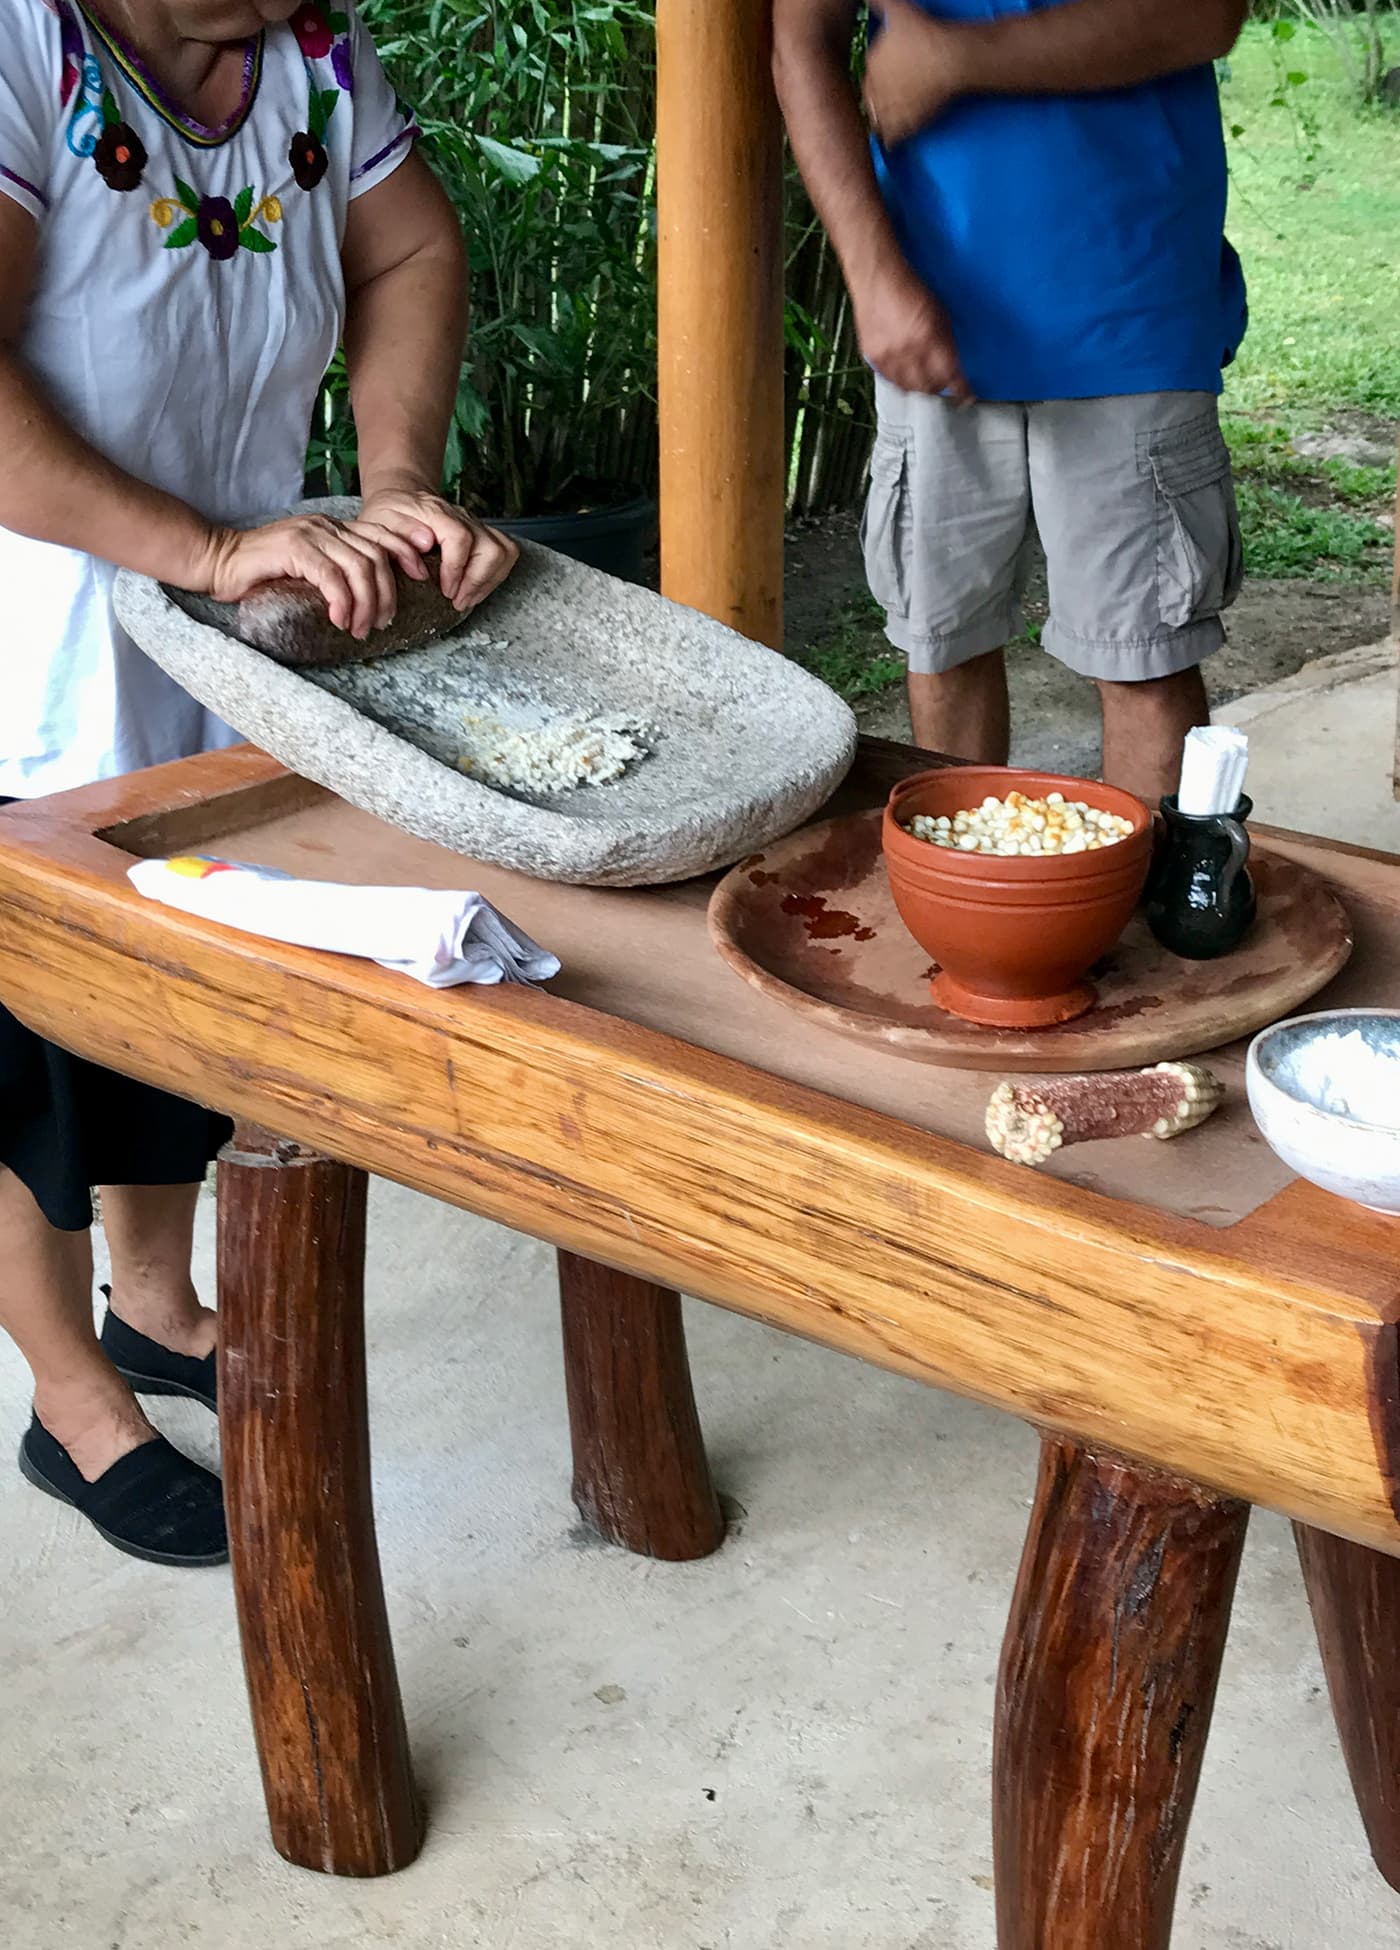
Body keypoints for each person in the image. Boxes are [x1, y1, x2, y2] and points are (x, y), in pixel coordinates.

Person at [0, 0, 518, 1566]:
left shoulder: (310, 46)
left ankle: (154, 1305)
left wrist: (399, 486)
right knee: (28, 1047)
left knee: (181, 992)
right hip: (38, 638)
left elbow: (412, 253)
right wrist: (220, 550)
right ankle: (72, 1402)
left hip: (234, 630)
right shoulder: (26, 42)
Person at [773, 0, 1249, 803]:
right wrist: (873, 276)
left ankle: (1148, 914)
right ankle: (973, 911)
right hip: (930, 301)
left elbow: (1205, 16)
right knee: (943, 645)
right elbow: (799, 40)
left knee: (1143, 661)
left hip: (1129, 303)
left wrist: (959, 59)